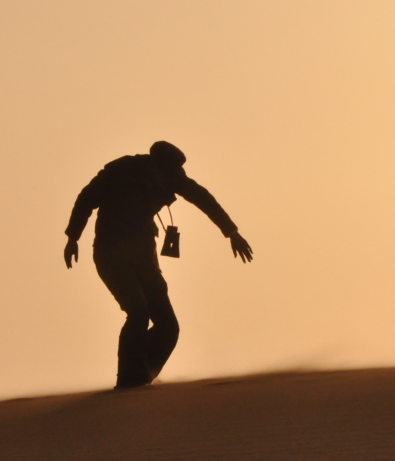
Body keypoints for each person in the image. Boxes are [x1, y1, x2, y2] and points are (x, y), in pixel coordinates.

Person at [64, 141, 253, 389]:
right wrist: (73, 237)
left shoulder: (174, 176)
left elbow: (202, 198)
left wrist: (232, 232)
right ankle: (128, 381)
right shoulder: (120, 172)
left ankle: (142, 375)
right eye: (164, 173)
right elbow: (86, 198)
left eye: (171, 175)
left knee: (168, 327)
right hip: (111, 254)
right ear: (153, 164)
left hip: (144, 256)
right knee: (138, 312)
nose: (167, 180)